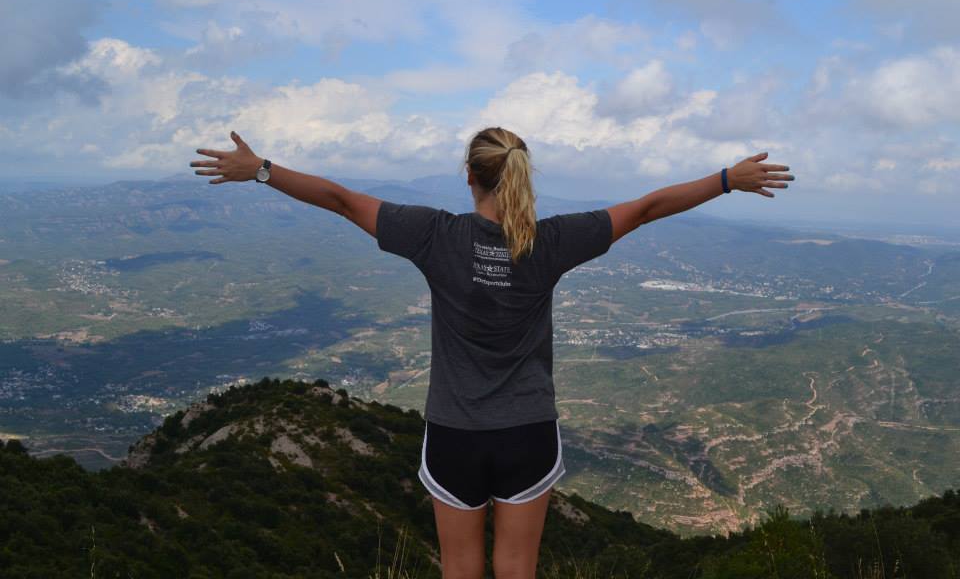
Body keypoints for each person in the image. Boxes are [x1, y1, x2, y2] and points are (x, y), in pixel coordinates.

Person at [191, 127, 793, 578]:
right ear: (523, 177)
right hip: (528, 429)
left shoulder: (434, 235)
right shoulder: (553, 242)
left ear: (469, 176)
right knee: (516, 568)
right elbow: (645, 208)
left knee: (459, 569)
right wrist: (725, 180)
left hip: (455, 430)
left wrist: (262, 169)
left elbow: (342, 200)